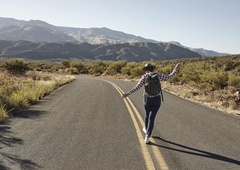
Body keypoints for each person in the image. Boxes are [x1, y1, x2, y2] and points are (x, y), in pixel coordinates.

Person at [122, 62, 181, 144]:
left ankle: (146, 130)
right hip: (157, 99)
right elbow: (170, 76)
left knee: (147, 114)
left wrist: (128, 93)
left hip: (147, 99)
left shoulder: (144, 77)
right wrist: (176, 68)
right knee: (152, 117)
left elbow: (137, 87)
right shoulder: (159, 76)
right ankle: (147, 135)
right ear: (153, 69)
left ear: (146, 70)